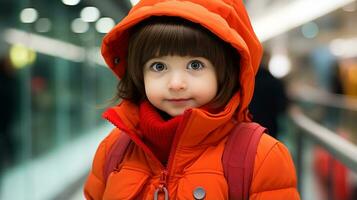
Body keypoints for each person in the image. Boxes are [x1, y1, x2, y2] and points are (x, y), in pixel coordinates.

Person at [84, 0, 300, 199]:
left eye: (195, 65)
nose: (176, 83)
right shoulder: (114, 149)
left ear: (224, 71)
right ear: (139, 74)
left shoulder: (261, 158)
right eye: (158, 66)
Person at [249, 51, 288, 138]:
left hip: (248, 126)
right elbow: (281, 106)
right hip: (269, 127)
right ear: (267, 60)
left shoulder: (246, 81)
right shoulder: (275, 82)